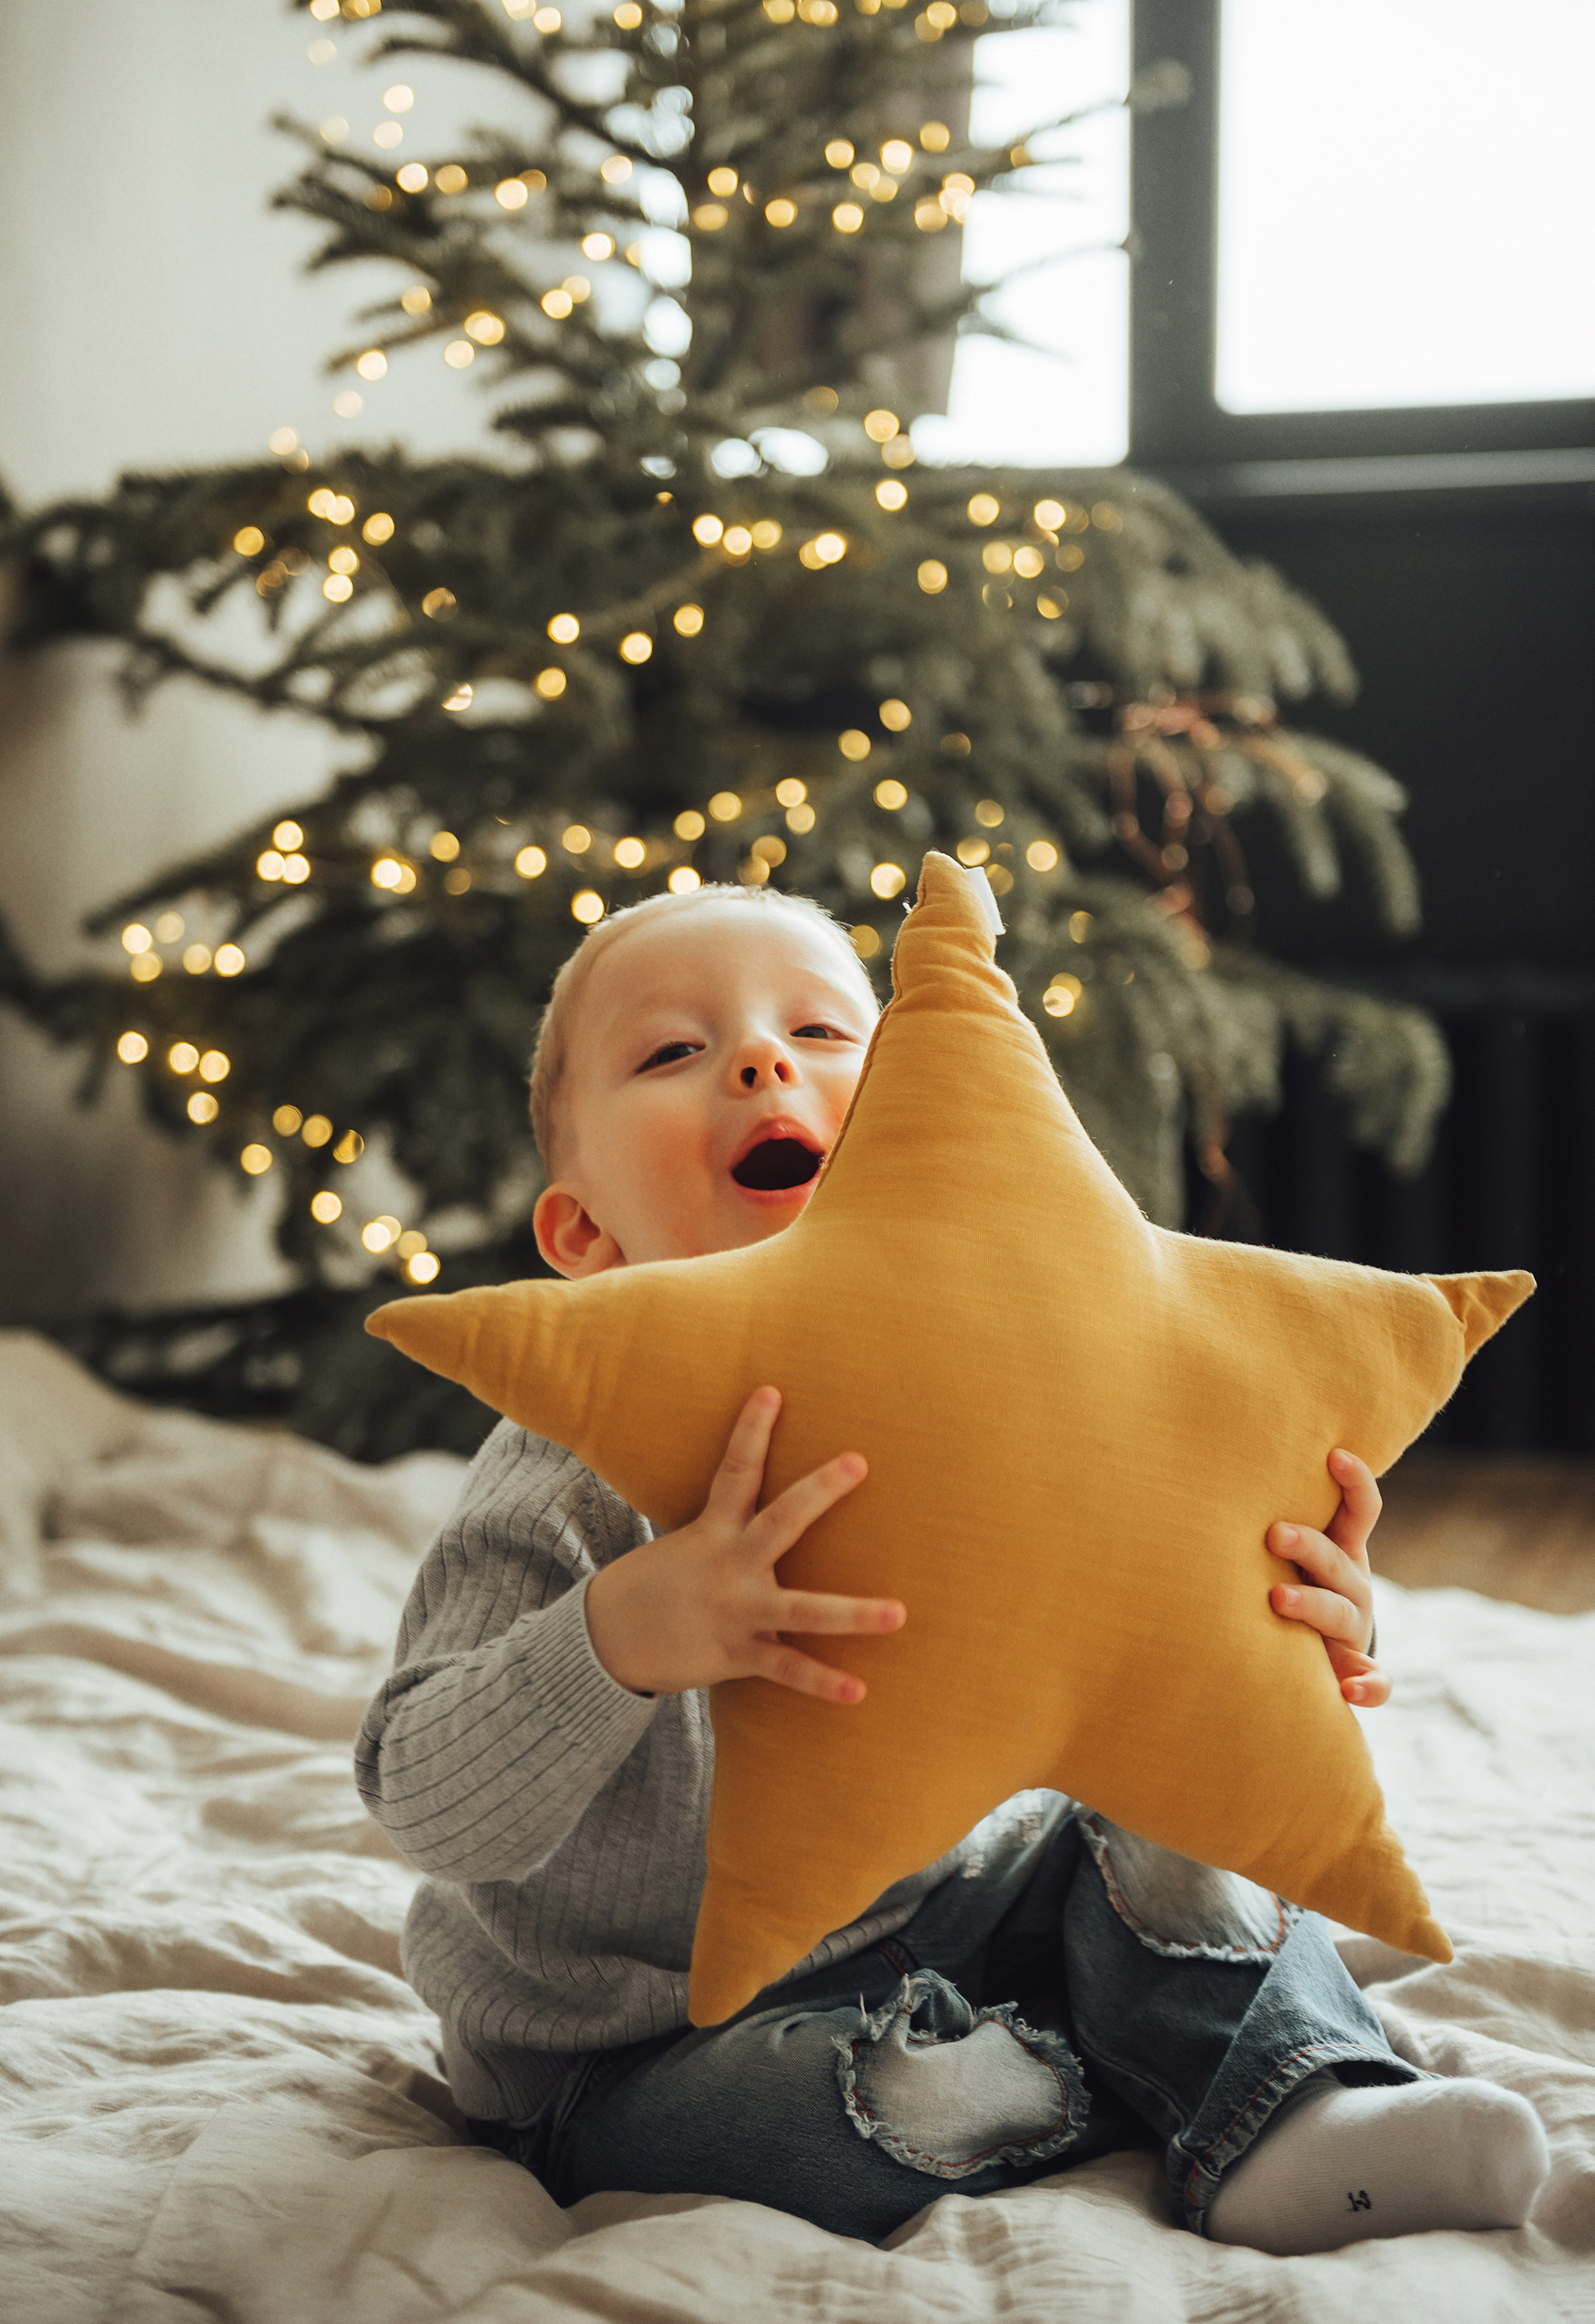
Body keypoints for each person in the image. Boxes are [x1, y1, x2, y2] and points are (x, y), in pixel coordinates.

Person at [355, 882, 1548, 2253]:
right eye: (673, 1052)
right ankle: (1112, 2063)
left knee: (1167, 1828)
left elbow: (1132, 1636)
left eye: (817, 1030)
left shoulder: (1025, 1382)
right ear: (581, 1241)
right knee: (864, 2107)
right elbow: (422, 1808)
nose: (760, 1061)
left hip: (963, 1898)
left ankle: (1299, 2110)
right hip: (632, 2045)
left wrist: (1296, 1620)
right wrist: (619, 1634)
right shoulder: (562, 1478)